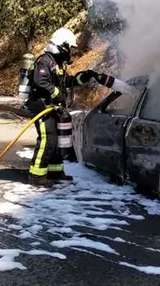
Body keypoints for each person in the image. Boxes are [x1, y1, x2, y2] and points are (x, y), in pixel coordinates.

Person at [25, 27, 104, 186]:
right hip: (42, 107)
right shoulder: (45, 61)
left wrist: (84, 77)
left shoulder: (57, 64)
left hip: (53, 108)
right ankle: (36, 176)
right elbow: (41, 82)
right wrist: (57, 94)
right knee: (48, 140)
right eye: (69, 48)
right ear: (61, 45)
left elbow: (67, 82)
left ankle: (55, 172)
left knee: (58, 141)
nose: (70, 52)